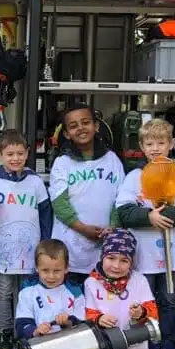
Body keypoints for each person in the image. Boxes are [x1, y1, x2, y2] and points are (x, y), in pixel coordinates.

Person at [115, 118, 175, 349]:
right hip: (145, 255)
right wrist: (149, 216)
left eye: (161, 142)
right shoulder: (135, 176)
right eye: (149, 143)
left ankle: (169, 346)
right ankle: (148, 346)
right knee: (146, 301)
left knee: (170, 300)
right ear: (142, 146)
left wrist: (165, 216)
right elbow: (125, 212)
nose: (155, 148)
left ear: (171, 144)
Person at [0, 129, 52, 349]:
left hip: (31, 248)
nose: (15, 158)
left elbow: (46, 213)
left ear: (27, 153)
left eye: (20, 153)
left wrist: (46, 244)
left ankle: (24, 332)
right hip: (3, 249)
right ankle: (4, 332)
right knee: (4, 291)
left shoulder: (35, 182)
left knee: (26, 291)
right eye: (10, 154)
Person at [49, 104, 125, 282]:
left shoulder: (112, 160)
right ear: (67, 133)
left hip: (105, 245)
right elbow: (60, 204)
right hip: (70, 247)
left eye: (85, 122)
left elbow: (120, 199)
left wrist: (113, 227)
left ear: (96, 126)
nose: (81, 128)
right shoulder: (62, 163)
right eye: (73, 126)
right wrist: (83, 229)